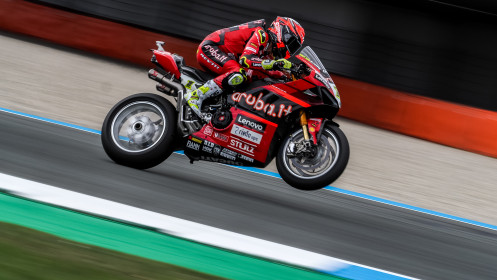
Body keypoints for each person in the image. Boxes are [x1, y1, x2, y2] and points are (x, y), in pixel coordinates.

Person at [184, 17, 305, 118]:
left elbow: (266, 71)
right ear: (281, 31)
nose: (290, 48)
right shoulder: (261, 34)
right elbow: (246, 60)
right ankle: (196, 95)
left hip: (225, 57)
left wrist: (285, 77)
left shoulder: (267, 51)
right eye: (291, 42)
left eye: (294, 47)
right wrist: (276, 64)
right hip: (210, 48)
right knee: (239, 74)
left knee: (249, 78)